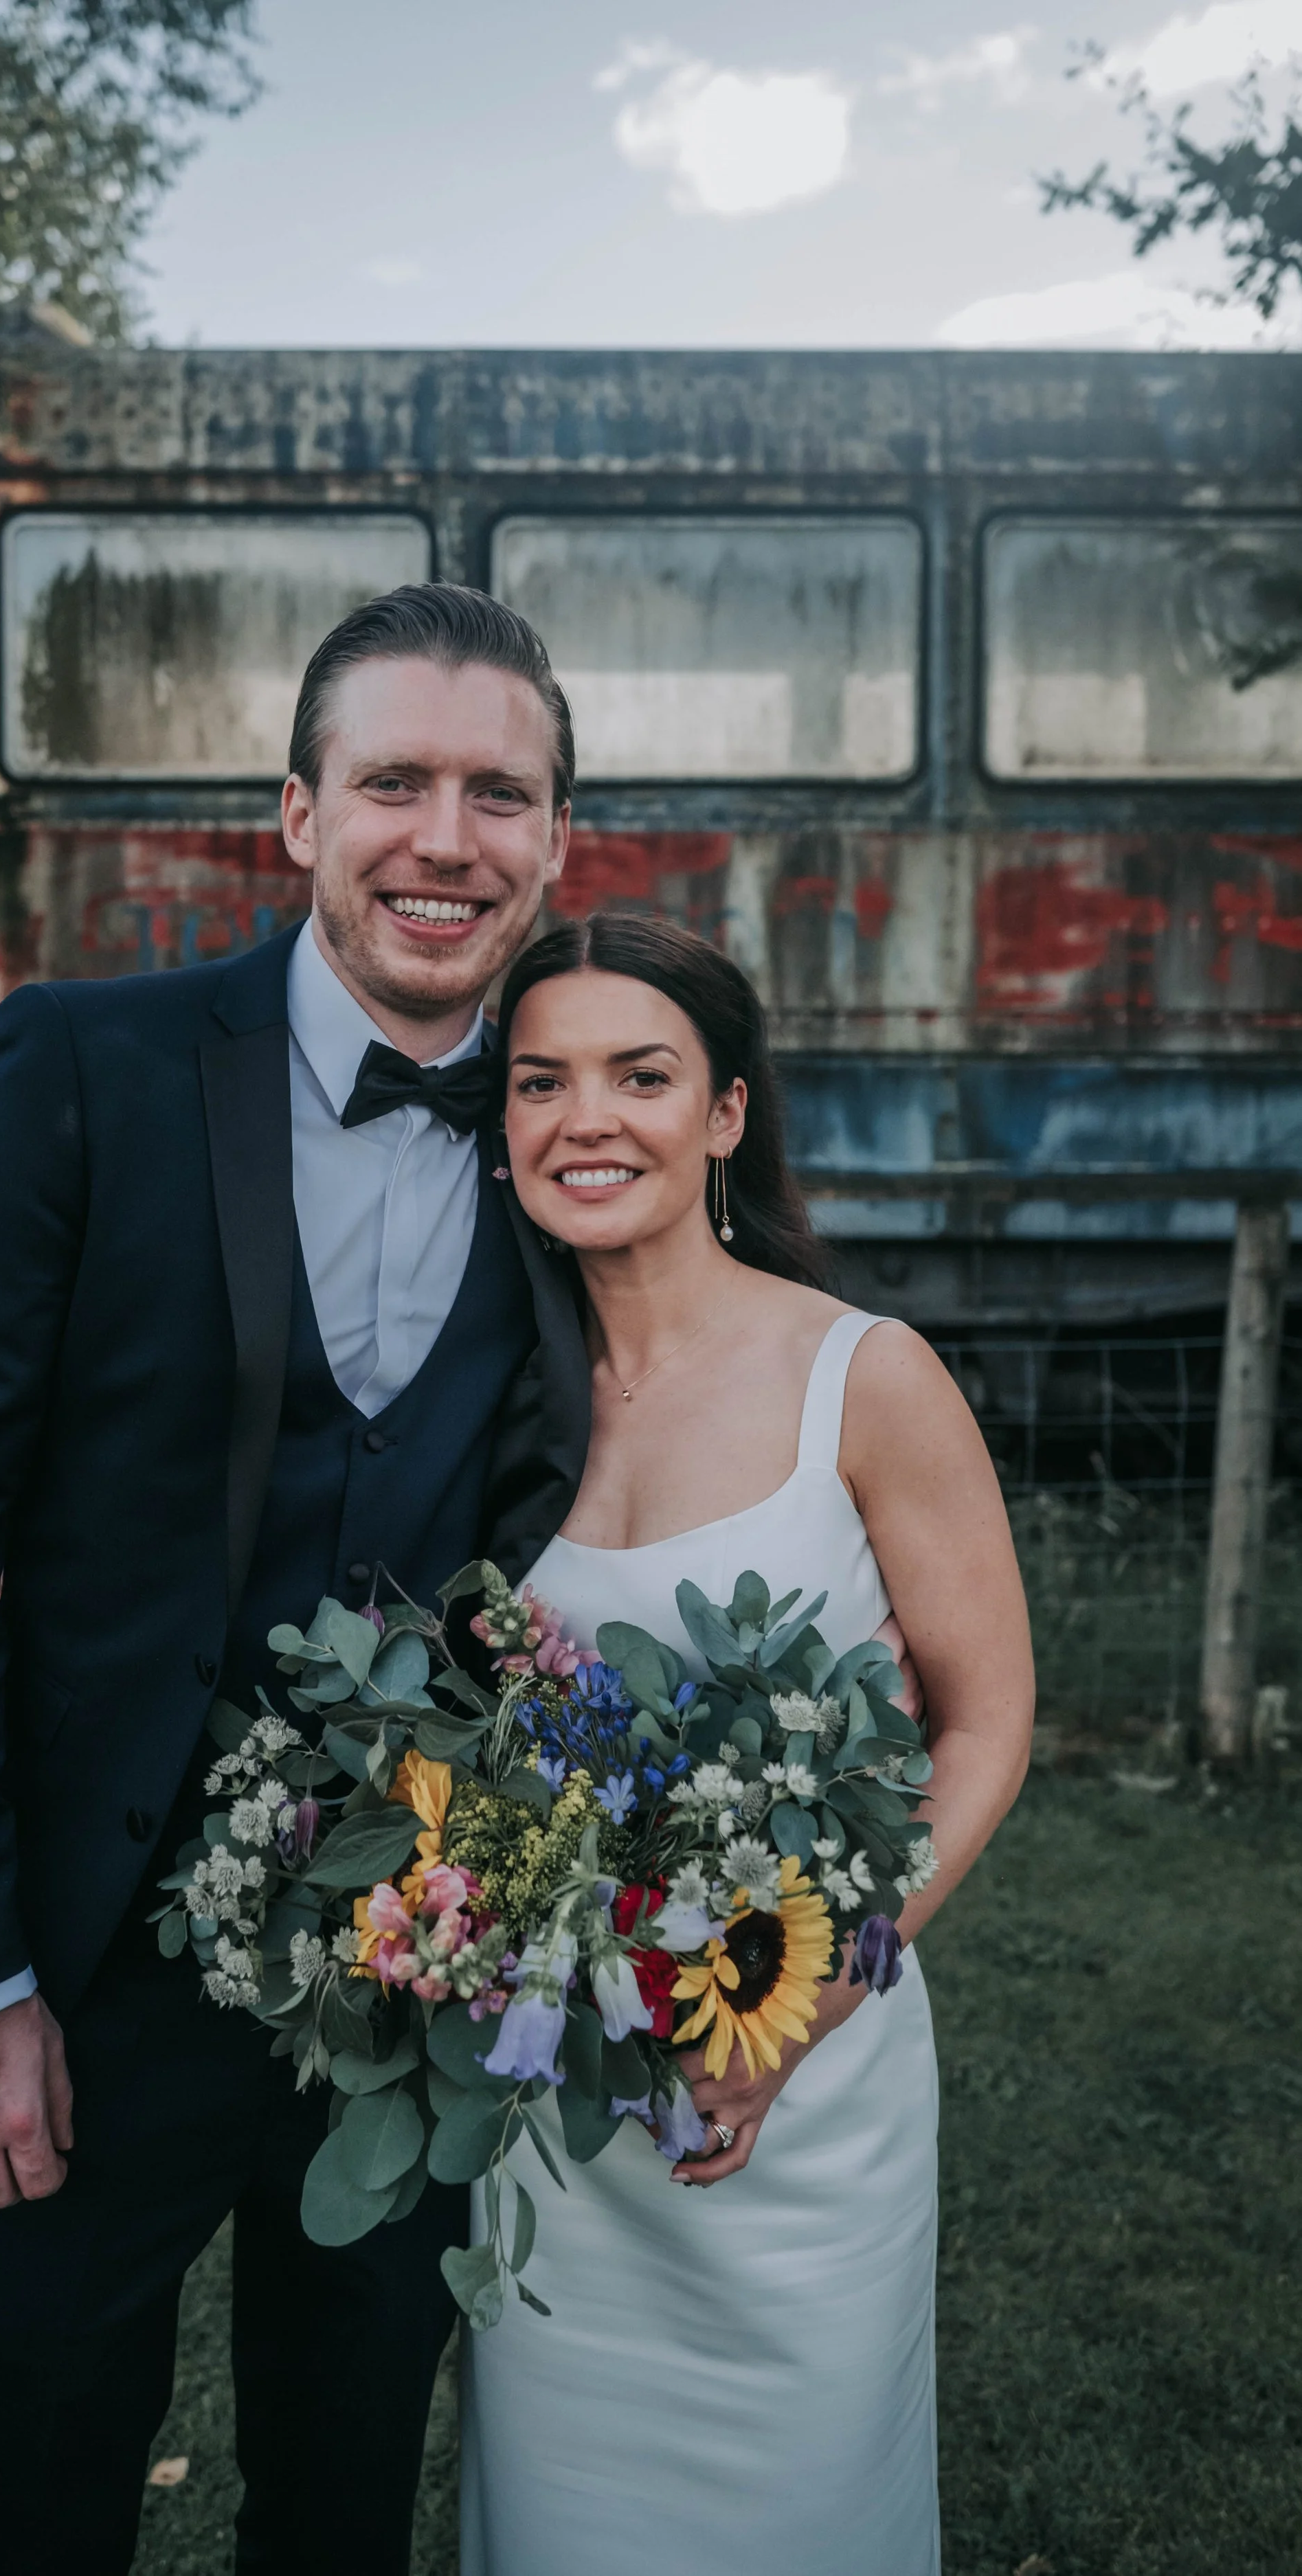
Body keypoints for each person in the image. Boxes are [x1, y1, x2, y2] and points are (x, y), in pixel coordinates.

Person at [0, 583, 592, 2575]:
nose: (446, 836)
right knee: (35, 2477)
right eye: (394, 780)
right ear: (295, 814)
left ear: (556, 845)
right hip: (78, 1963)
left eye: (496, 790)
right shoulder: (85, 1064)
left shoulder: (589, 1120)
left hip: (418, 1964)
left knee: (345, 2491)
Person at [459, 912, 1035, 2576]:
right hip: (557, 2102)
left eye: (641, 1077)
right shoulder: (485, 1393)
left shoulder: (860, 1377)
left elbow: (984, 1724)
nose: (588, 1121)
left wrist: (813, 1997)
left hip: (805, 2071)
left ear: (721, 1113)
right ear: (500, 1127)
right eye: (539, 1081)